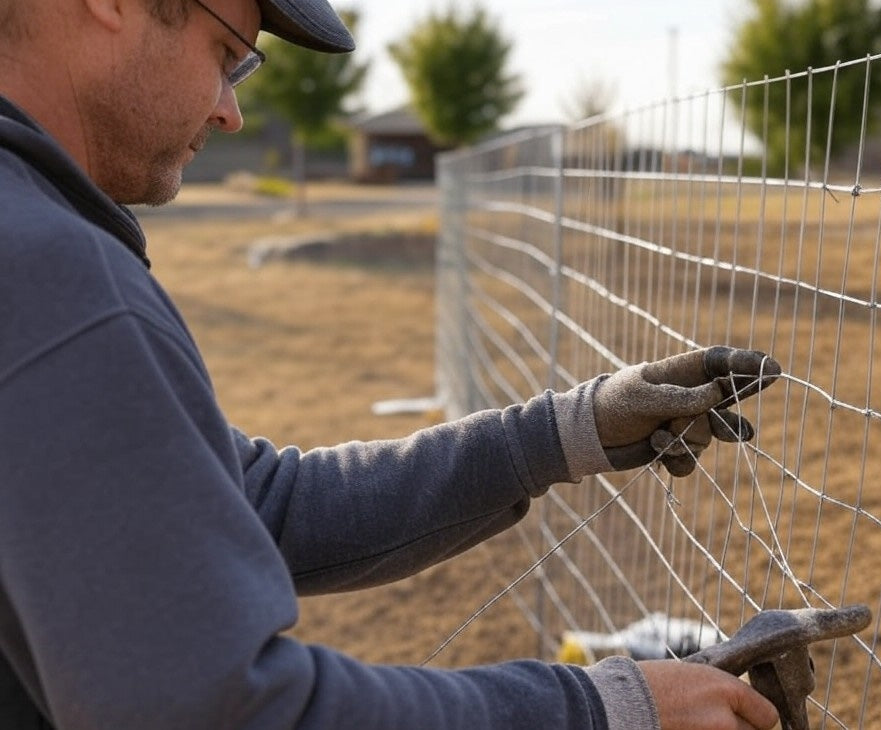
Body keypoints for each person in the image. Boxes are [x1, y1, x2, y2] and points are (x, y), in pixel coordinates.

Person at [0, 1, 784, 728]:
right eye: (226, 54)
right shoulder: (54, 278)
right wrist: (602, 709)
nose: (230, 110)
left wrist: (564, 431)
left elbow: (251, 501)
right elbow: (219, 708)